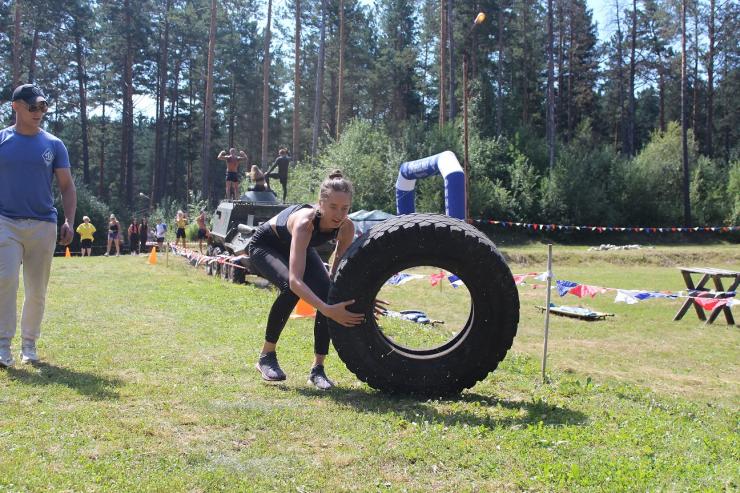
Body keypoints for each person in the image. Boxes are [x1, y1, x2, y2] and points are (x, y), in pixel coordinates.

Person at [248, 170, 363, 390]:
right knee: (291, 290)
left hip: (300, 246)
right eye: (333, 207)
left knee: (329, 295)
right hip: (266, 246)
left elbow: (337, 271)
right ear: (321, 203)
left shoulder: (347, 227)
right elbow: (295, 281)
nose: (339, 214)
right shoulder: (305, 223)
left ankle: (317, 369)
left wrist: (355, 296)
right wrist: (327, 309)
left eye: (345, 208)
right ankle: (266, 356)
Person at [0, 83, 77, 367]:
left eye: (43, 107)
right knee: (5, 280)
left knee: (36, 289)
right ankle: (2, 346)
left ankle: (28, 345)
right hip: (5, 222)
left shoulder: (54, 145)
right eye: (32, 107)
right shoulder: (2, 140)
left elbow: (67, 187)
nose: (39, 112)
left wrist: (69, 220)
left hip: (44, 225)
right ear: (15, 106)